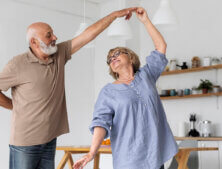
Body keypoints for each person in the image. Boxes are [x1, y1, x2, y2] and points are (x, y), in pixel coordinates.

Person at [0, 7, 137, 169]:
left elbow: (88, 35)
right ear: (34, 42)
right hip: (25, 143)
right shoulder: (17, 64)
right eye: (48, 35)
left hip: (49, 140)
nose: (55, 37)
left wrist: (113, 15)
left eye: (53, 33)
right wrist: (16, 107)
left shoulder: (59, 53)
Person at [73, 7, 178, 169]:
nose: (112, 58)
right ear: (111, 68)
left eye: (117, 54)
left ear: (130, 57)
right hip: (129, 160)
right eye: (109, 59)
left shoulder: (146, 76)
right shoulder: (108, 92)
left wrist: (145, 21)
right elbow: (100, 122)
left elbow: (161, 46)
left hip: (155, 156)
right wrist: (91, 152)